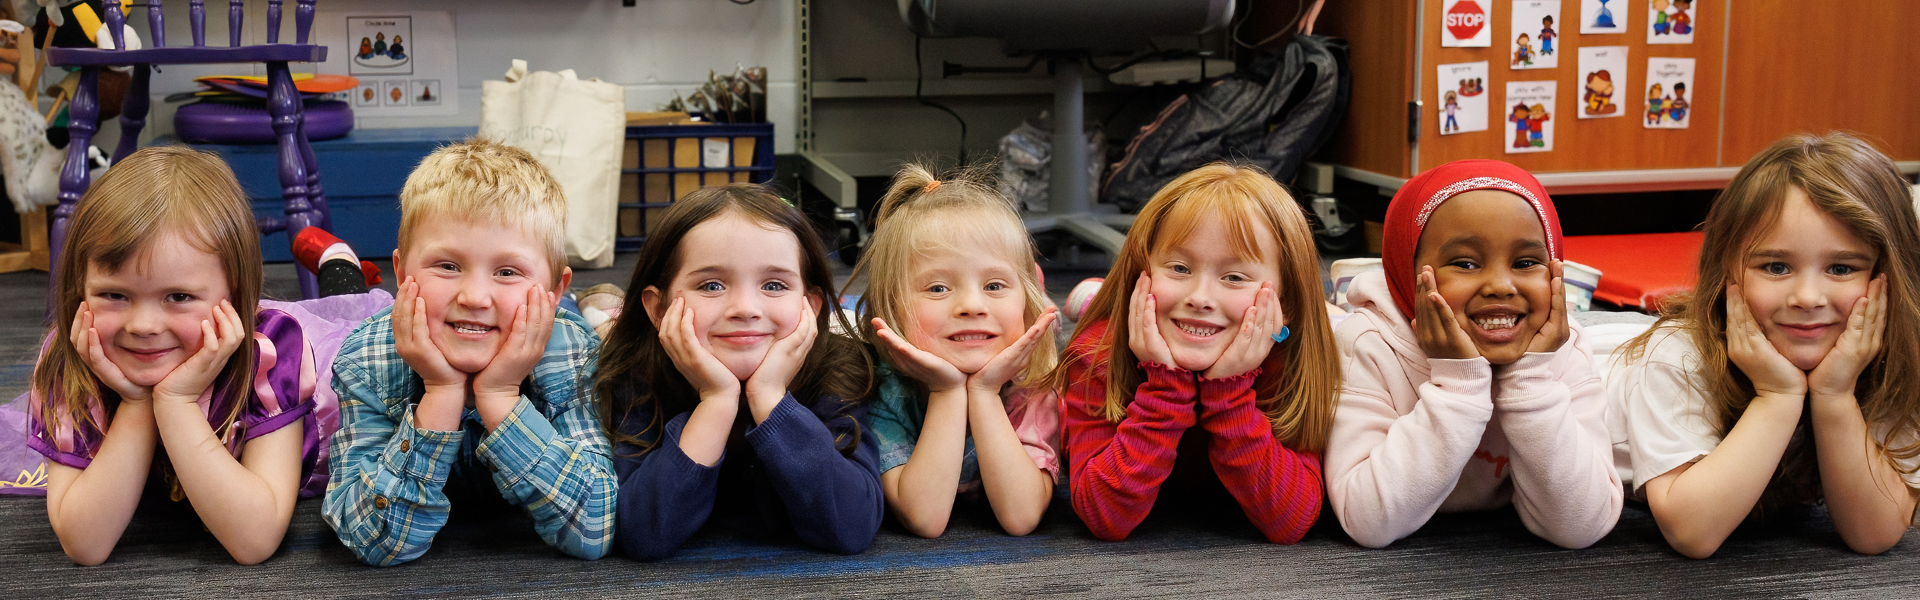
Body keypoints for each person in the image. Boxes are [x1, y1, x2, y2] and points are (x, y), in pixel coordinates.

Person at [1609, 132, 1920, 558]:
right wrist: (1778, 396)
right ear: (1727, 270)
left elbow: (1874, 533)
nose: (1807, 298)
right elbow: (1692, 532)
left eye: (1842, 268)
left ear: (1893, 276)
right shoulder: (1675, 356)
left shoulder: (1895, 361)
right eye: (1776, 267)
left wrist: (1834, 394)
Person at [26, 147, 341, 565]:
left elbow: (254, 540)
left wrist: (174, 402)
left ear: (236, 294)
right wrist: (139, 403)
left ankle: (337, 260)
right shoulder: (68, 360)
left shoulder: (269, 350)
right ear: (79, 289)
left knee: (349, 304)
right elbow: (85, 544)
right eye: (114, 294)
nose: (143, 325)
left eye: (178, 296)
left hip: (333, 358)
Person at [322, 138, 615, 566]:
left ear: (553, 290)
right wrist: (441, 393)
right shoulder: (366, 359)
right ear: (402, 274)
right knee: (338, 308)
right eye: (448, 265)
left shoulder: (571, 352)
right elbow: (373, 540)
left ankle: (600, 309)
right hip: (361, 328)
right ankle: (338, 263)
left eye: (507, 271)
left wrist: (500, 397)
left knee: (600, 331)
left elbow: (595, 526)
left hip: (548, 321)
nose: (475, 296)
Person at [1325, 159, 1621, 549]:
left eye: (1526, 263)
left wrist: (1529, 380)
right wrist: (1458, 385)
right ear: (1406, 271)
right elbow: (1367, 521)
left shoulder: (1563, 346)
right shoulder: (1367, 343)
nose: (1501, 285)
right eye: (1465, 263)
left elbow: (1582, 526)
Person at [1049, 163, 1339, 543]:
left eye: (1234, 277)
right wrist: (1165, 391)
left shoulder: (1288, 355)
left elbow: (1290, 521)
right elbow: (1104, 517)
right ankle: (1100, 298)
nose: (1200, 297)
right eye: (1180, 268)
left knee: (1337, 328)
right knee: (1108, 321)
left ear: (1283, 296)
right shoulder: (1097, 352)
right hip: (1131, 339)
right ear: (1142, 270)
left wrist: (1230, 394)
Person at [599, 183, 881, 560]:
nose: (745, 308)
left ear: (810, 307)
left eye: (774, 284)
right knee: (600, 324)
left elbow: (852, 526)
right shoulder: (635, 372)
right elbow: (645, 533)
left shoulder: (839, 367)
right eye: (712, 285)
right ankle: (600, 305)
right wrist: (716, 401)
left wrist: (770, 397)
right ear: (658, 309)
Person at [851, 164, 1060, 538]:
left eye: (994, 285)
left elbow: (1021, 516)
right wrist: (946, 391)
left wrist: (984, 391)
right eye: (937, 289)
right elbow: (925, 518)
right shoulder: (878, 385)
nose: (971, 305)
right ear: (892, 306)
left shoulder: (1034, 382)